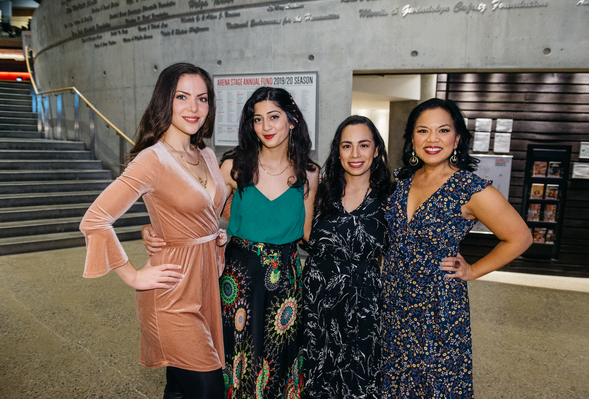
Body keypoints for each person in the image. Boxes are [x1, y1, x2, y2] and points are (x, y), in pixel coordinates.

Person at [142, 87, 319, 398]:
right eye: (257, 119)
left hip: (286, 284)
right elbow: (196, 213)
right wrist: (156, 228)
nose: (266, 127)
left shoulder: (309, 174)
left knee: (277, 361)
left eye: (274, 117)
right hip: (237, 278)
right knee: (231, 357)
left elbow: (307, 233)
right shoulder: (232, 167)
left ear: (292, 121)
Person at [80, 63, 227, 399]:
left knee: (178, 388)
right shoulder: (152, 159)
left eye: (202, 98)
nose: (194, 108)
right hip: (172, 293)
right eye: (182, 97)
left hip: (206, 286)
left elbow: (207, 210)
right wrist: (133, 276)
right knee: (209, 391)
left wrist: (216, 235)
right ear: (165, 100)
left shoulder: (205, 154)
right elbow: (95, 218)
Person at [381, 98, 532, 398]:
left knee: (436, 385)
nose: (433, 139)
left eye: (443, 130)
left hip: (438, 307)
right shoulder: (399, 182)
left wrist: (473, 270)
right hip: (394, 302)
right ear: (412, 138)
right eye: (423, 131)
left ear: (457, 138)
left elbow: (520, 237)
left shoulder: (470, 188)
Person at [302, 116, 393, 399]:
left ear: (376, 150)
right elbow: (304, 235)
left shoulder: (391, 196)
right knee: (316, 376)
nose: (355, 154)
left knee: (359, 379)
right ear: (337, 150)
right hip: (317, 299)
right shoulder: (321, 190)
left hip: (364, 302)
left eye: (363, 145)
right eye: (347, 146)